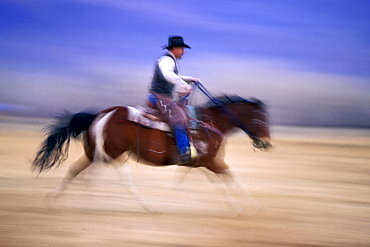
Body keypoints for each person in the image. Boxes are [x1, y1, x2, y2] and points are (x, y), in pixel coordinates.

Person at [148, 36, 199, 164]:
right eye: (182, 48)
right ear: (175, 48)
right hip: (159, 97)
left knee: (183, 114)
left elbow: (175, 76)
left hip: (164, 97)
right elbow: (168, 75)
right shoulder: (167, 60)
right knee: (180, 118)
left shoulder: (171, 61)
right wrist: (184, 85)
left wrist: (190, 79)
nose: (184, 51)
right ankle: (184, 151)